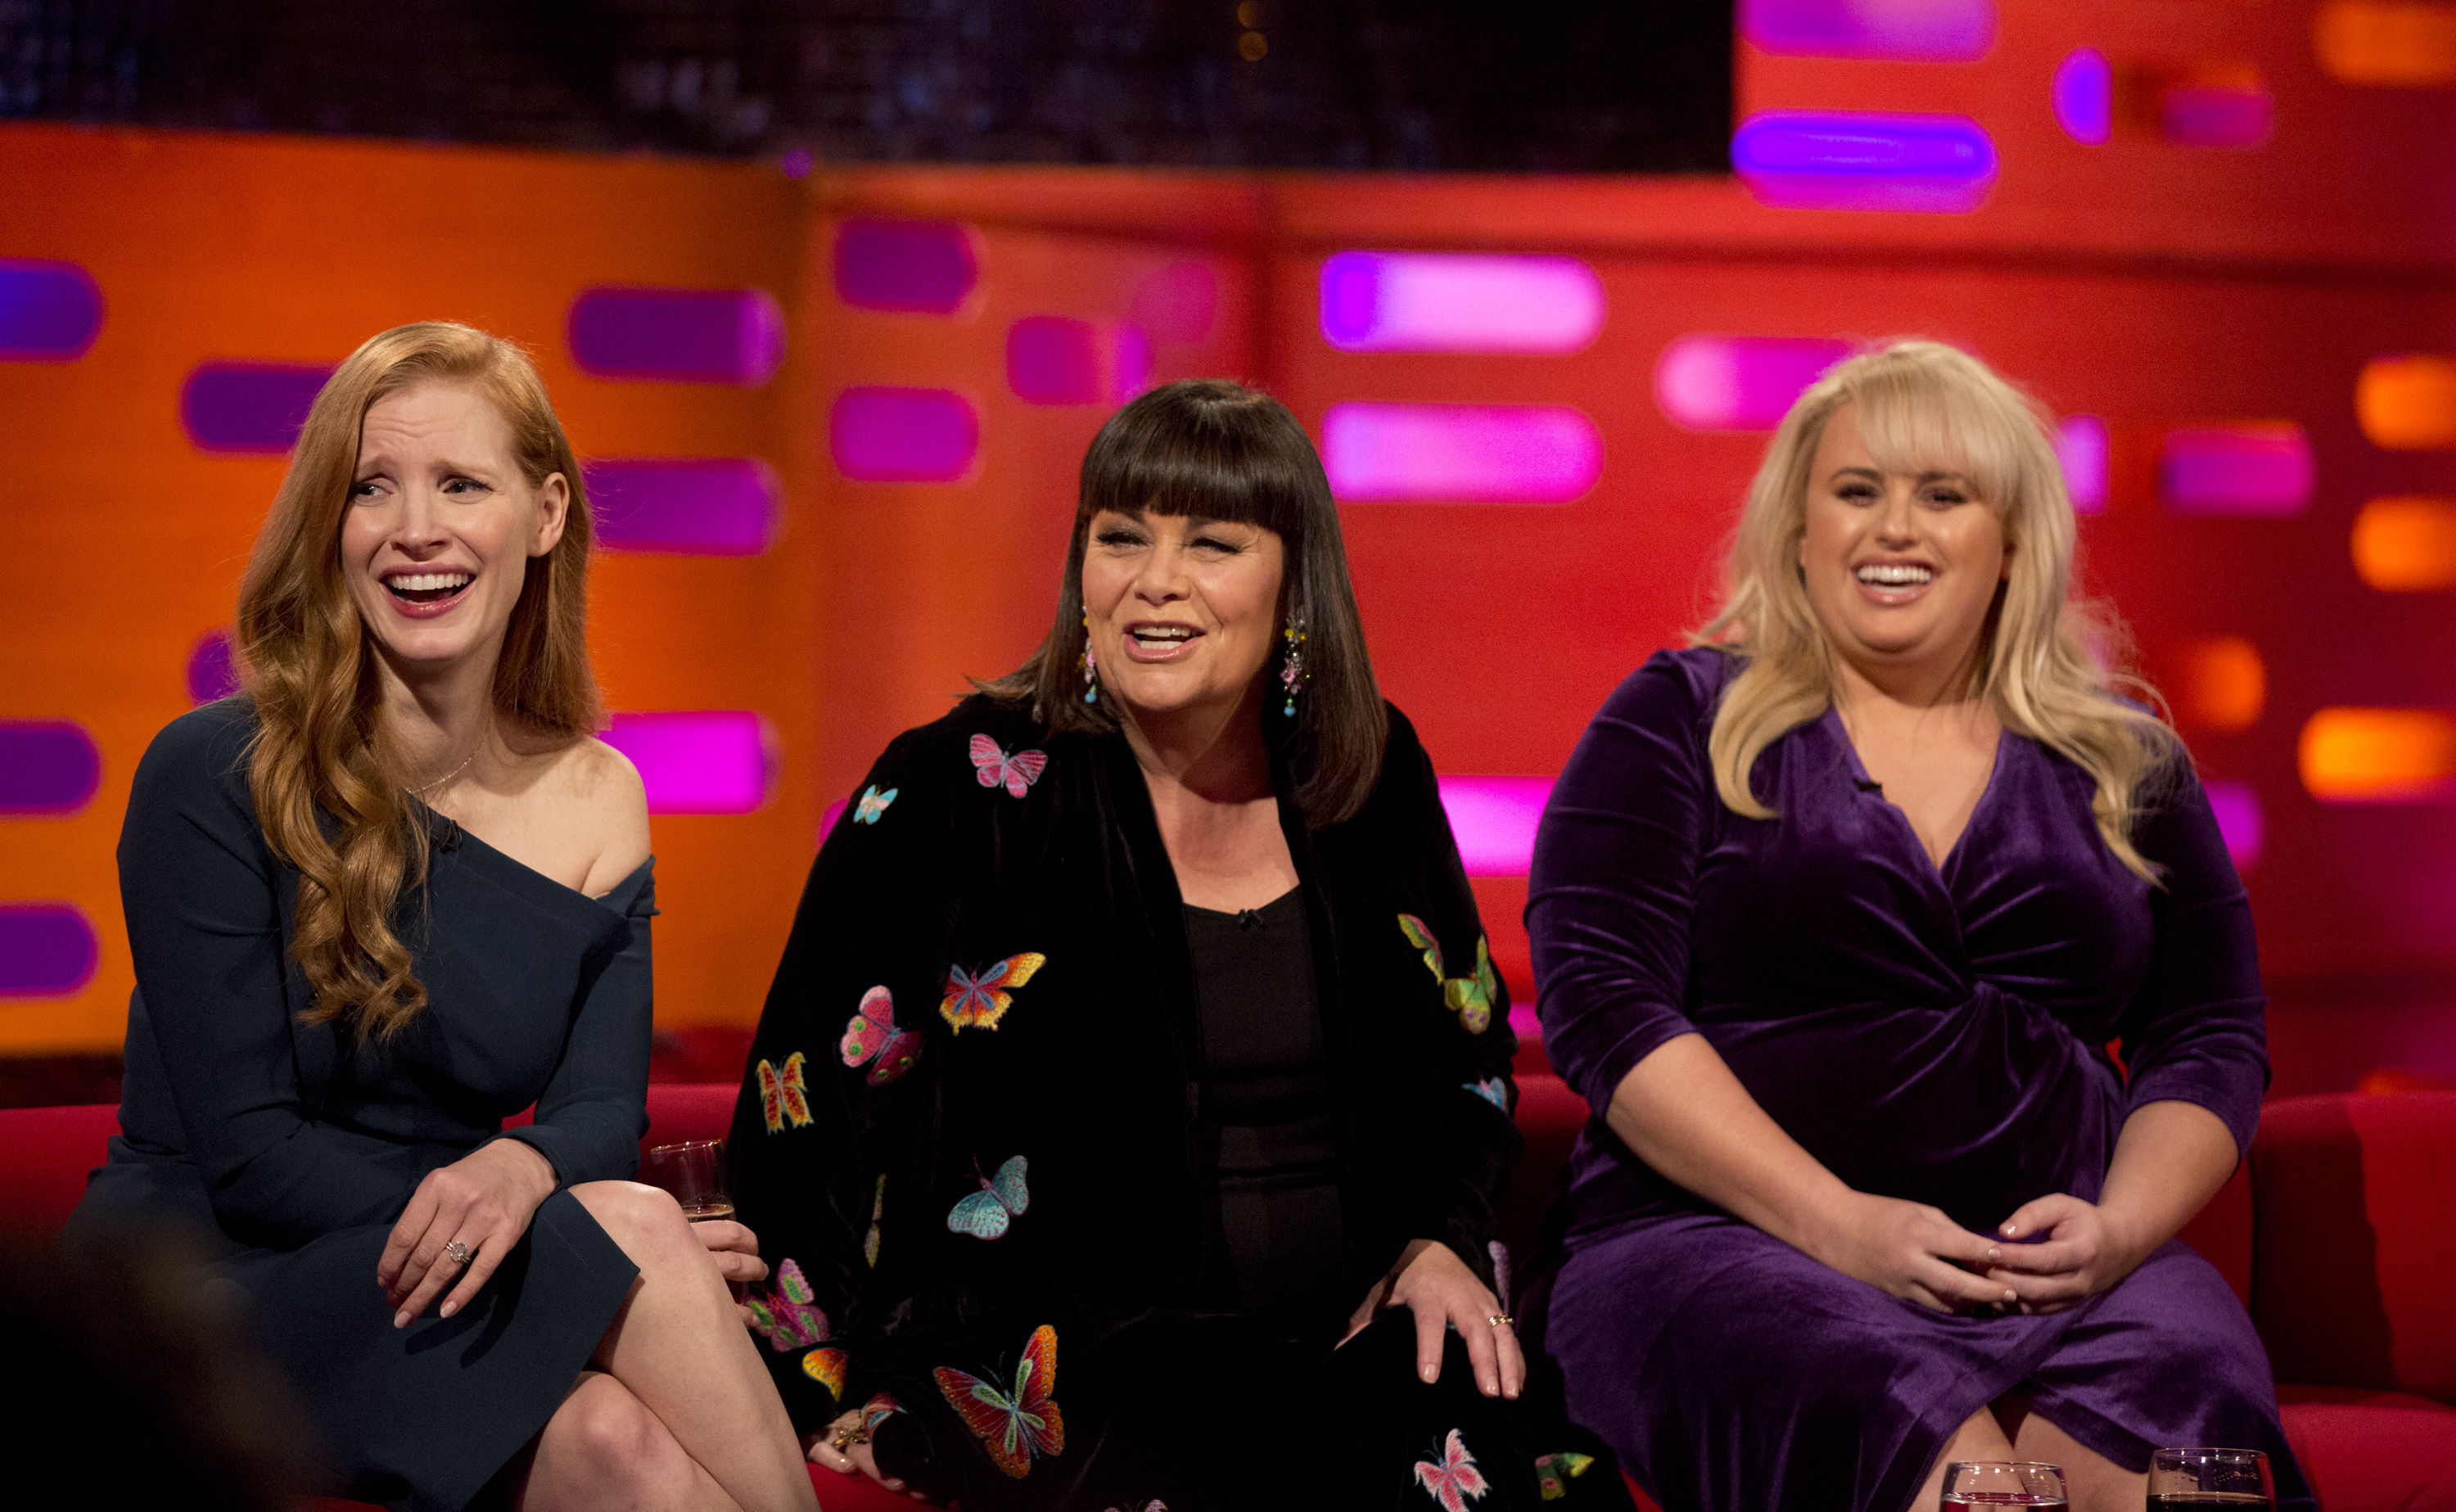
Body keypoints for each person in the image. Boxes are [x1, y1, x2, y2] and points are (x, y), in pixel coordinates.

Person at [730, 380, 1624, 1511]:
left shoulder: (1369, 774)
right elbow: (799, 1110)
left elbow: (1472, 1055)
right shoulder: (958, 789)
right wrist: (816, 1389)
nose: (1155, 580)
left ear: (1294, 582)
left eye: (1211, 542)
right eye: (1121, 538)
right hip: (1055, 1362)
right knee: (1255, 1432)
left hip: (1342, 1340)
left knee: (1508, 1457)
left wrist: (1440, 1243)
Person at [1524, 341, 2314, 1512]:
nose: (1893, 528)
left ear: (2011, 543)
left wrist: (2117, 1230)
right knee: (1906, 1430)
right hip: (1725, 1247)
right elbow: (1604, 1005)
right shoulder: (1678, 719)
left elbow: (2208, 1033)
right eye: (1857, 493)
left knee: (2196, 1422)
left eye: (1942, 496)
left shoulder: (2126, 760)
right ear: (1799, 531)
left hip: (2057, 1270)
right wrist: (1838, 1224)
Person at [68, 323, 817, 1512]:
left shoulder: (599, 795)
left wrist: (529, 1179)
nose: (415, 528)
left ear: (547, 514)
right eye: (373, 488)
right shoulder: (211, 774)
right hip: (214, 1290)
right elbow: (256, 1164)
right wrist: (555, 1222)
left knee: (618, 1448)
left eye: (461, 483)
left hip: (446, 1267)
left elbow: (596, 1113)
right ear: (334, 527)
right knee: (631, 1225)